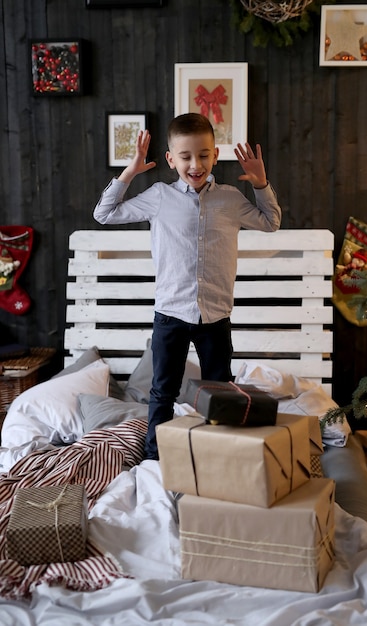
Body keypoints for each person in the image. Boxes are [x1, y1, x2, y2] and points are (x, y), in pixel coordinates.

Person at [93, 112, 282, 459]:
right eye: (186, 156)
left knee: (220, 392)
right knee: (162, 392)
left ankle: (217, 457)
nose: (196, 164)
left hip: (215, 317)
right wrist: (131, 170)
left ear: (215, 154)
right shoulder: (159, 196)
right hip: (171, 314)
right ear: (170, 159)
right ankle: (154, 458)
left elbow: (271, 222)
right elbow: (104, 213)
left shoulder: (229, 199)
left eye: (204, 155)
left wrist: (260, 183)